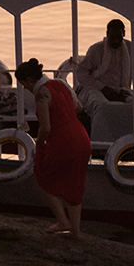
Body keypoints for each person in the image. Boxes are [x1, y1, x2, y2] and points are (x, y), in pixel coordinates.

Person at [17, 57, 90, 240]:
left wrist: (38, 142)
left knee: (43, 174)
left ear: (28, 80)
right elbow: (79, 107)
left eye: (23, 84)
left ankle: (63, 221)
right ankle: (75, 231)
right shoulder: (61, 83)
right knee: (75, 183)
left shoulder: (41, 94)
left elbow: (46, 128)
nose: (24, 88)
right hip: (81, 137)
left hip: (63, 139)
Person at [73, 18, 134, 117]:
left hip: (121, 90)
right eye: (112, 37)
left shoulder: (130, 48)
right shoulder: (96, 50)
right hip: (96, 89)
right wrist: (103, 88)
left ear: (123, 34)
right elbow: (81, 72)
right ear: (107, 34)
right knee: (102, 107)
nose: (115, 40)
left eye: (118, 37)